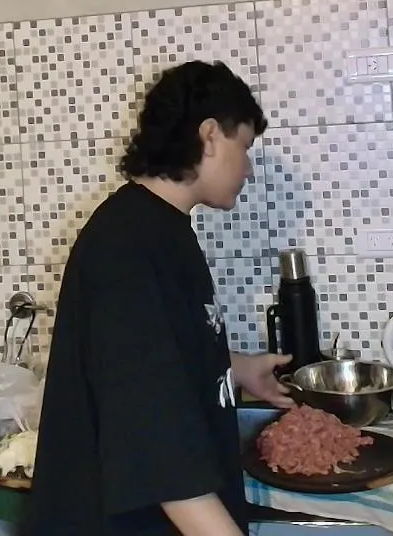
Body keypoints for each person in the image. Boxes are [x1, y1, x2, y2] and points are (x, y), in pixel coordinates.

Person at [23, 61, 296, 536]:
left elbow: (157, 357)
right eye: (245, 147)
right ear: (209, 136)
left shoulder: (160, 228)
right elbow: (159, 448)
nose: (249, 169)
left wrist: (233, 367)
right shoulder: (127, 246)